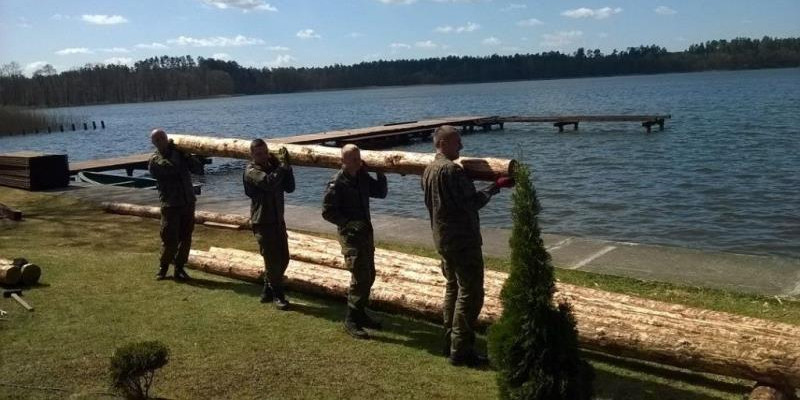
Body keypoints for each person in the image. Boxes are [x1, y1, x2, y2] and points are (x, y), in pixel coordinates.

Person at [421, 125, 514, 367]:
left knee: (452, 288)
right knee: (470, 294)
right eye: (456, 142)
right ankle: (461, 349)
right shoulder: (452, 171)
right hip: (463, 240)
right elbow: (471, 203)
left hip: (442, 238)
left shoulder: (429, 169)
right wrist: (496, 187)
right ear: (442, 143)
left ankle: (449, 341)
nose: (461, 147)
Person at [322, 144, 388, 339]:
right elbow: (327, 212)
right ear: (343, 161)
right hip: (351, 237)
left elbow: (380, 193)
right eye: (353, 159)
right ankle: (351, 319)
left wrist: (381, 174)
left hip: (366, 234)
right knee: (360, 277)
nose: (358, 162)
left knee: (370, 274)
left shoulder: (361, 176)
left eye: (359, 158)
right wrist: (348, 224)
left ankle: (360, 313)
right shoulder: (337, 183)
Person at [243, 139, 295, 310]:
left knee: (284, 258)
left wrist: (288, 168)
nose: (263, 156)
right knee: (272, 260)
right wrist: (282, 168)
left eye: (265, 152)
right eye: (259, 154)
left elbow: (290, 188)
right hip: (263, 222)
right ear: (252, 155)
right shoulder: (251, 171)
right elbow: (268, 183)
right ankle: (278, 296)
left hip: (278, 220)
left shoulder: (273, 167)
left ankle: (267, 289)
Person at [148, 128, 203, 281]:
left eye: (163, 138)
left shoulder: (179, 154)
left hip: (187, 201)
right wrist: (176, 153)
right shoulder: (155, 160)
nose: (162, 142)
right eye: (157, 140)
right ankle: (163, 267)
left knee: (186, 237)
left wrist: (187, 155)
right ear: (153, 143)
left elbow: (198, 169)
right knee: (169, 239)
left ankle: (179, 267)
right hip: (171, 204)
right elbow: (172, 168)